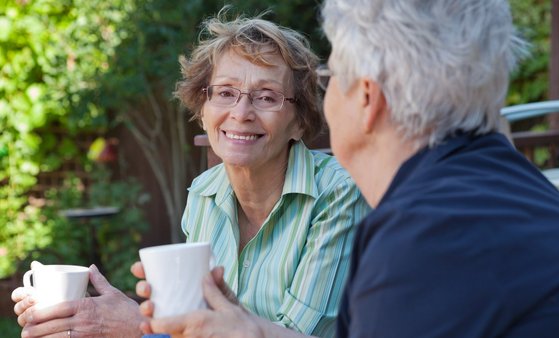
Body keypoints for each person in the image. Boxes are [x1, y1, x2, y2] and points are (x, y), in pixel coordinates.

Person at [135, 0, 559, 337]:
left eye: (332, 77)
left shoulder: (419, 240)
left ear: (367, 100)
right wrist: (248, 329)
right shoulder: (511, 189)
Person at [11, 13, 370, 338]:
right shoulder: (204, 193)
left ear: (299, 122)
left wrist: (139, 325)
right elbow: (192, 326)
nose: (241, 112)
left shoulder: (337, 194)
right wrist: (92, 317)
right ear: (203, 111)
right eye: (225, 93)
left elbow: (293, 335)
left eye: (267, 96)